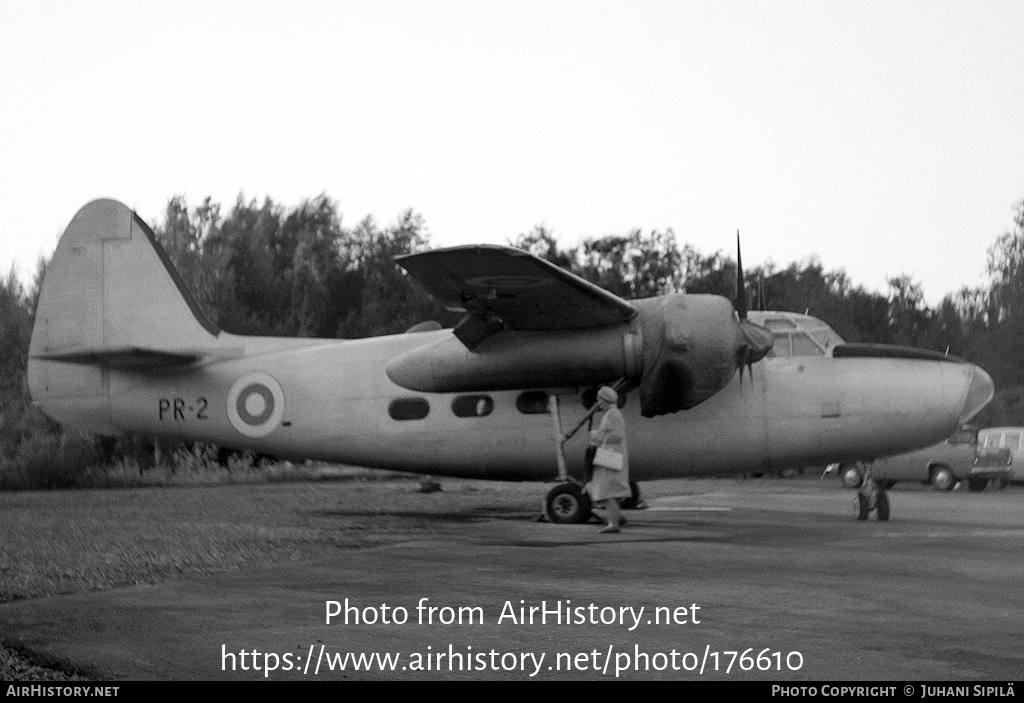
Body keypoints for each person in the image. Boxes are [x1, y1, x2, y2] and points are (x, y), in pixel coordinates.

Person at [586, 386, 630, 533]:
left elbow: (617, 435)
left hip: (609, 457)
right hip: (610, 455)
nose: (598, 402)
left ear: (604, 400)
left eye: (599, 399)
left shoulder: (612, 414)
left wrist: (598, 437)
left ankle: (614, 523)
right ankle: (615, 518)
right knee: (609, 490)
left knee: (606, 491)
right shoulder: (611, 413)